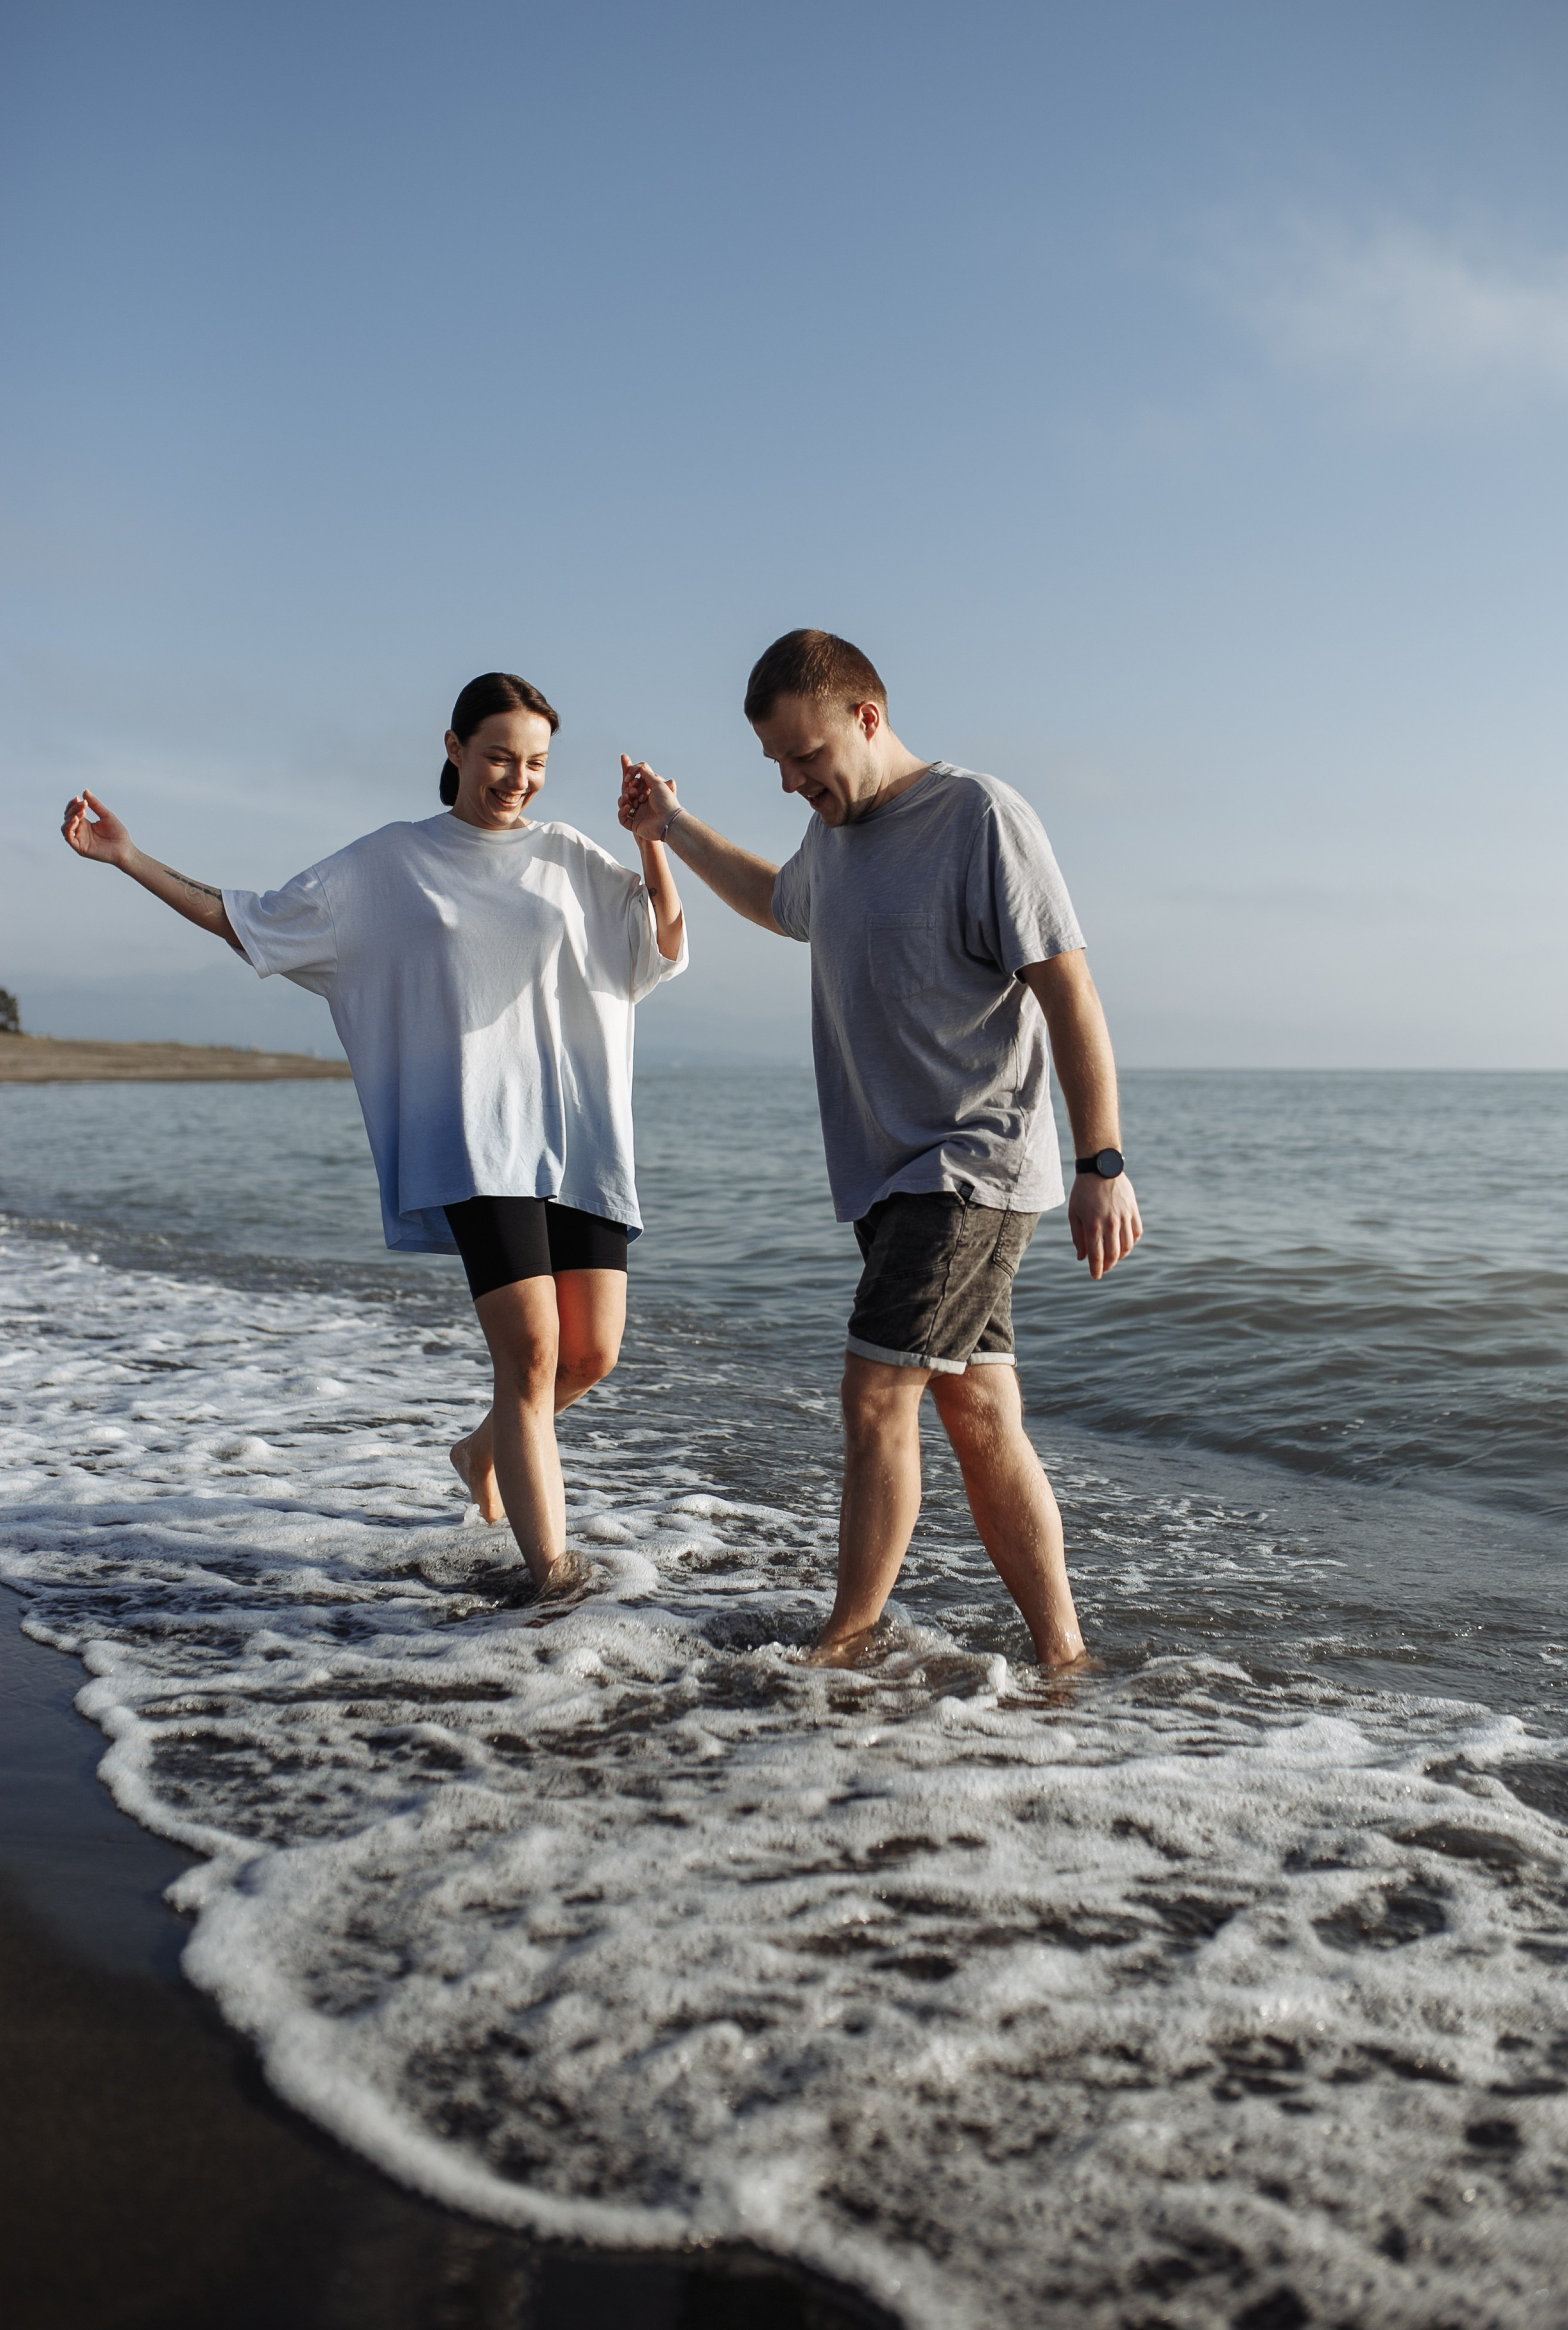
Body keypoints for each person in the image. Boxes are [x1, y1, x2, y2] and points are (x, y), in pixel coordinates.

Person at [61, 671, 686, 1593]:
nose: (518, 777)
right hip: (475, 1140)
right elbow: (251, 921)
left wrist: (652, 843)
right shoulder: (391, 864)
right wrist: (130, 857)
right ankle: (554, 1582)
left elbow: (658, 947)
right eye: (500, 757)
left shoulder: (571, 856)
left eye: (538, 762)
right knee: (534, 1356)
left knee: (592, 1354)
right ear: (455, 750)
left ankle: (482, 1453)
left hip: (577, 1134)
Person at [619, 629, 1139, 1670]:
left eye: (805, 756)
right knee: (980, 1411)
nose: (791, 780)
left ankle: (843, 1648)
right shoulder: (837, 838)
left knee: (874, 1391)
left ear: (867, 716)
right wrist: (670, 827)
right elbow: (780, 902)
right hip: (890, 1180)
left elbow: (1068, 988)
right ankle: (1063, 1656)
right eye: (776, 763)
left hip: (968, 1163)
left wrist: (1103, 1161)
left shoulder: (977, 816)